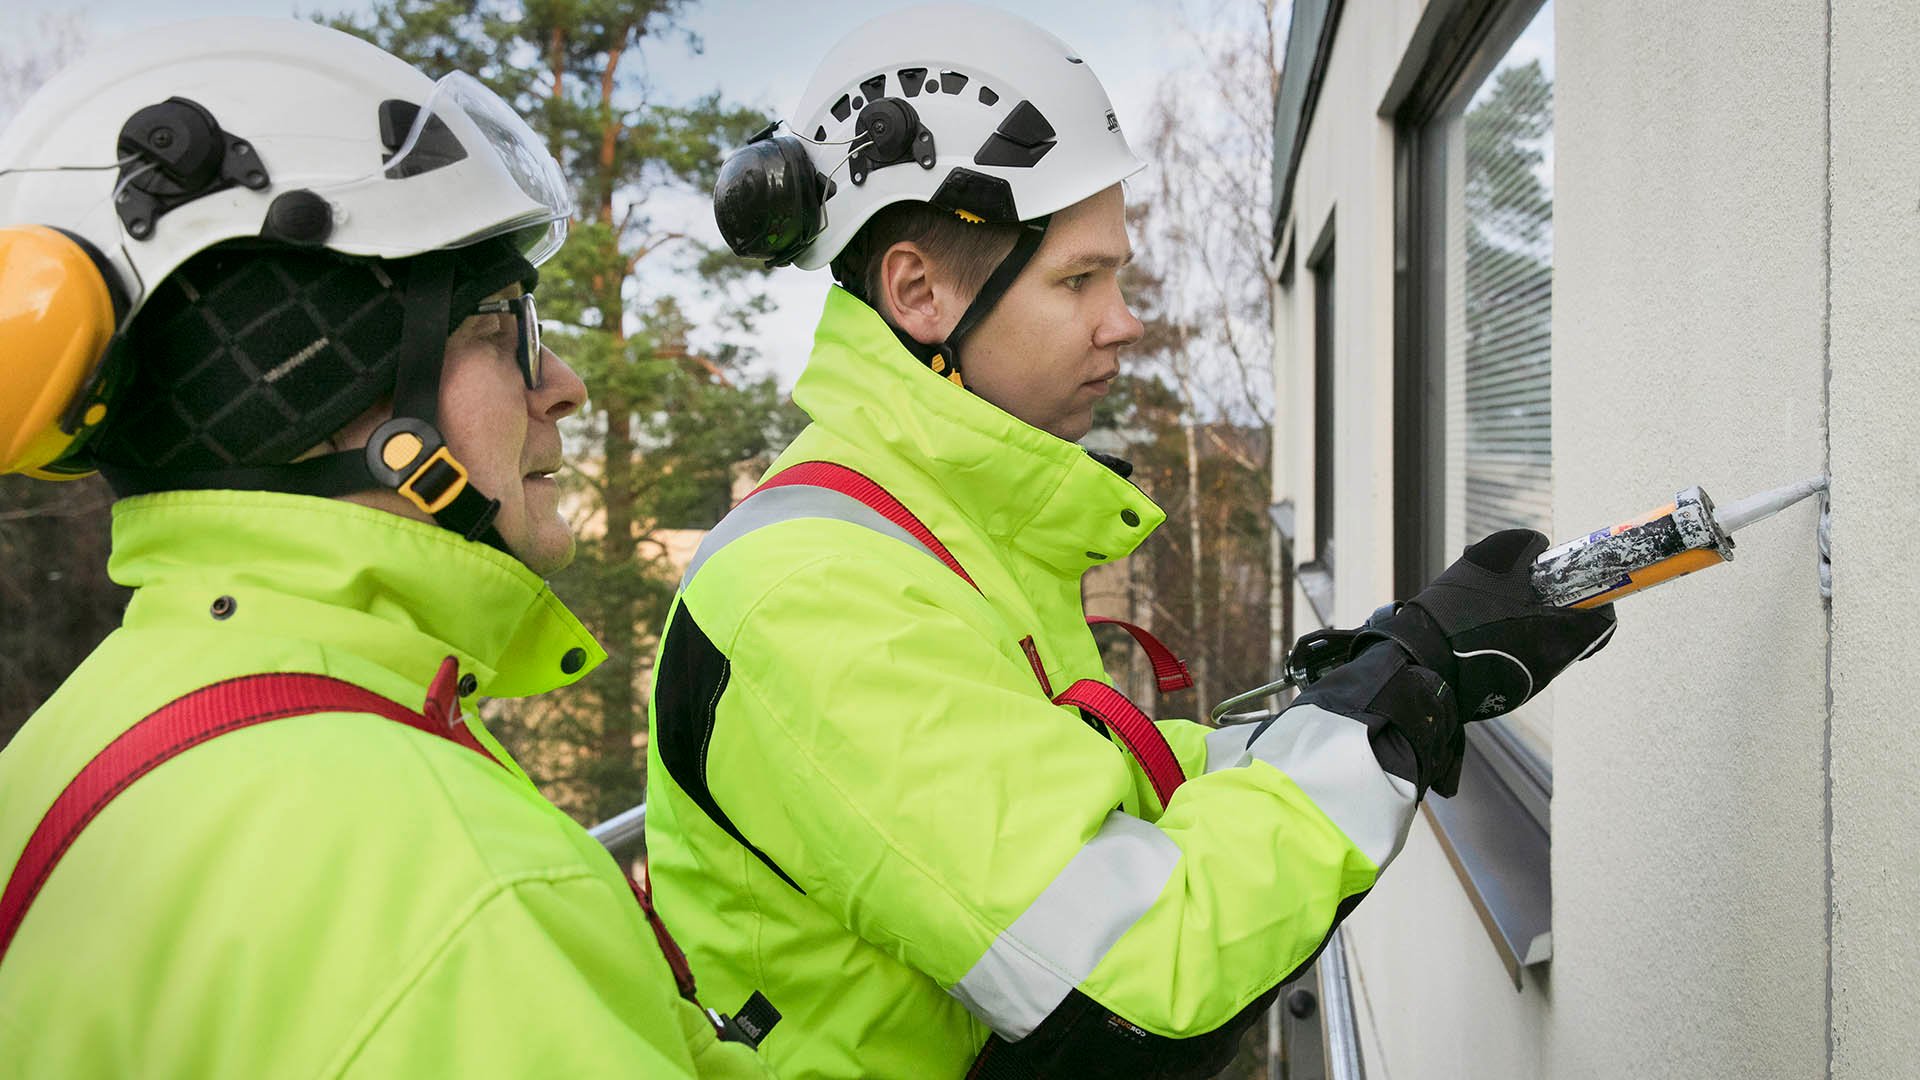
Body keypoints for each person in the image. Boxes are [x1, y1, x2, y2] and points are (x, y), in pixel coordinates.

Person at [647, 4, 1618, 1078]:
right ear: (919, 293)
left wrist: (1372, 681)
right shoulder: (819, 600)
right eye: (1078, 280)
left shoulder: (932, 531)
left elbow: (1103, 792)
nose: (1126, 319)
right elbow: (1148, 971)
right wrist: (1398, 705)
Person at [0, 19, 769, 1078]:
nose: (564, 386)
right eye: (500, 328)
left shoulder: (82, 734)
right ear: (315, 383)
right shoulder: (452, 885)